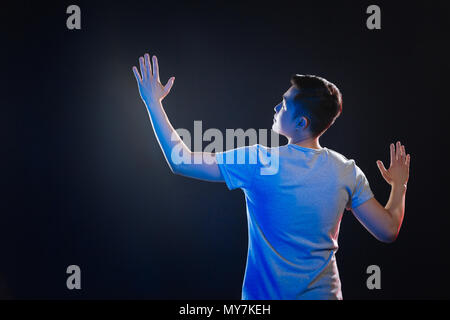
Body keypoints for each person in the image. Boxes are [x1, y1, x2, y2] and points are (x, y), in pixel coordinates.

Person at [132, 53, 410, 300]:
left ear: (302, 123)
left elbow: (180, 160)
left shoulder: (259, 161)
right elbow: (387, 230)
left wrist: (153, 102)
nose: (277, 108)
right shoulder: (346, 170)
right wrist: (399, 185)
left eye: (285, 104)